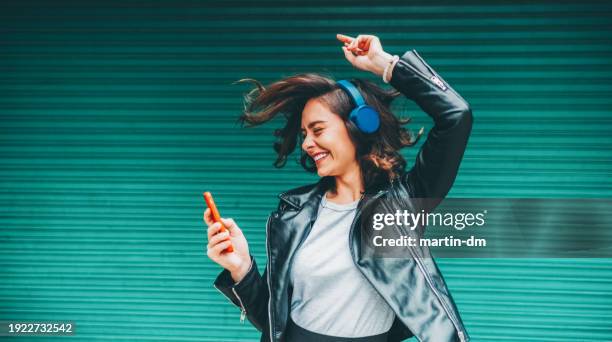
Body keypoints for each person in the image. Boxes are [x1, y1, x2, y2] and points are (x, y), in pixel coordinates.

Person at [204, 33, 472, 342]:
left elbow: (456, 116)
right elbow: (272, 319)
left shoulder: (403, 203)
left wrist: (386, 65)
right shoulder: (295, 213)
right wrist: (241, 267)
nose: (306, 143)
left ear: (360, 126)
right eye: (304, 133)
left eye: (317, 130)